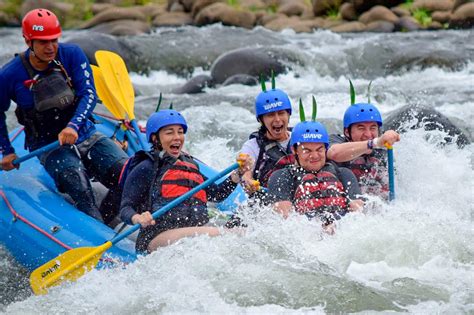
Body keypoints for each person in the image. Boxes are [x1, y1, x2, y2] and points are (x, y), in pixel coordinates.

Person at [0, 8, 128, 223]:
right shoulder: (9, 74)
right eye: (42, 42)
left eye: (53, 40)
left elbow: (89, 94)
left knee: (127, 176)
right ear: (27, 41)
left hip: (85, 133)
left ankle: (108, 221)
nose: (50, 47)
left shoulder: (72, 54)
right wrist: (7, 151)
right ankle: (98, 235)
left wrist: (73, 126)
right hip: (47, 145)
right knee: (78, 184)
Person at [119, 109, 252, 253]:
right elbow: (126, 208)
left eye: (180, 132)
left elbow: (216, 195)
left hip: (192, 230)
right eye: (169, 132)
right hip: (157, 236)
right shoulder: (147, 167)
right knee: (231, 235)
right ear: (155, 138)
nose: (177, 137)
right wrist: (138, 218)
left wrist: (237, 175)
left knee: (243, 227)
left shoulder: (190, 166)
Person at [267, 118, 364, 233]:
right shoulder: (282, 177)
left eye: (319, 150)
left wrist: (337, 228)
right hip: (307, 238)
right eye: (307, 151)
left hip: (340, 233)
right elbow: (285, 217)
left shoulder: (343, 174)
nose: (314, 156)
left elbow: (357, 211)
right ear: (294, 150)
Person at [326, 88, 400, 198]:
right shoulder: (336, 141)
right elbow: (334, 153)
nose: (368, 134)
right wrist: (373, 143)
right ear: (347, 132)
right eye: (361, 128)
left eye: (373, 128)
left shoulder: (383, 152)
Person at [238, 76, 294, 194]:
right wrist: (248, 182)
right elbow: (246, 174)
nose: (277, 119)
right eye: (270, 115)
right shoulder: (252, 146)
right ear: (261, 120)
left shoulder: (299, 138)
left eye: (281, 113)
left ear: (288, 115)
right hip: (268, 201)